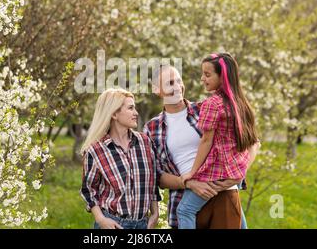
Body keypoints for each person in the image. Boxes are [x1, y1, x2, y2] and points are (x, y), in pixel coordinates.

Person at [144, 63, 259, 229]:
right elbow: (157, 176)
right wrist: (189, 183)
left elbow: (252, 142)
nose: (177, 87)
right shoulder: (152, 128)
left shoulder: (206, 108)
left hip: (222, 194)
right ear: (156, 89)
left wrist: (238, 175)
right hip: (184, 202)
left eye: (178, 81)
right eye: (170, 83)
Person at [177, 53, 261, 229]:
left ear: (222, 76)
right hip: (236, 170)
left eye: (207, 75)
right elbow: (253, 142)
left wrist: (192, 173)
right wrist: (241, 173)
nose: (202, 79)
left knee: (185, 210)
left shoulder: (213, 104)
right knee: (236, 210)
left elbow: (206, 141)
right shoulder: (241, 103)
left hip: (217, 171)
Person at [80, 88, 160, 229]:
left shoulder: (145, 142)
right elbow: (89, 190)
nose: (136, 113)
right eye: (130, 108)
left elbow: (152, 182)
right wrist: (101, 219)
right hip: (113, 224)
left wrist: (155, 213)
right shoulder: (96, 150)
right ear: (114, 114)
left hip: (144, 224)